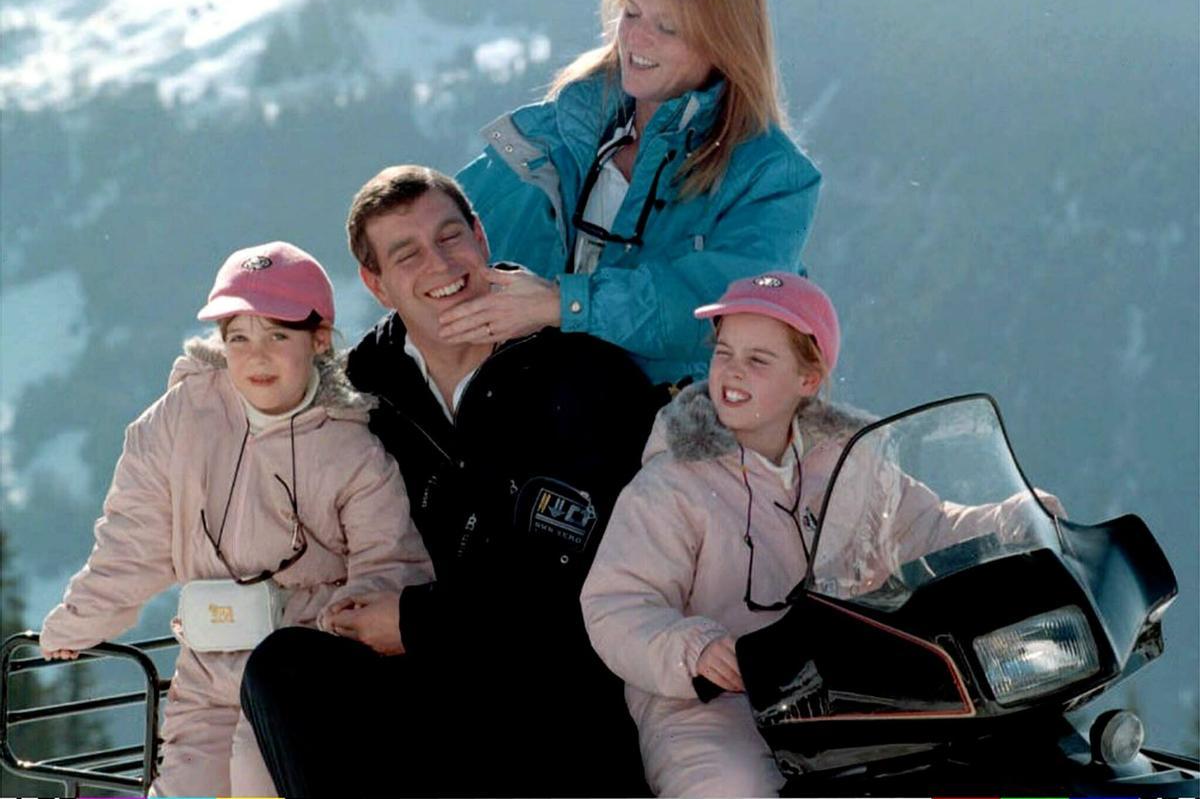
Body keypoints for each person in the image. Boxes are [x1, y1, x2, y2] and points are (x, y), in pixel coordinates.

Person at [239, 165, 662, 796]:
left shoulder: (586, 377)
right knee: (285, 669)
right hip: (424, 697)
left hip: (560, 703)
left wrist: (415, 623)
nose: (439, 265)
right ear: (375, 284)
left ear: (482, 238)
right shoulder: (360, 399)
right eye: (406, 253)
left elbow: (580, 591)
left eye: (449, 237)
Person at [580, 272, 1058, 797]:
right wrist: (696, 650)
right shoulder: (672, 483)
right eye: (724, 353)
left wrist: (1009, 519)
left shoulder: (851, 461)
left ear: (808, 380)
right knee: (733, 787)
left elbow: (927, 526)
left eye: (758, 360)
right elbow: (619, 602)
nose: (732, 371)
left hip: (845, 689)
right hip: (713, 704)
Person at [38, 241, 433, 798]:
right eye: (238, 337)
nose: (257, 357)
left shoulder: (352, 449)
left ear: (318, 340)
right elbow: (134, 536)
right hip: (206, 668)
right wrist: (79, 621)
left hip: (291, 676)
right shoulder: (182, 419)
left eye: (278, 335)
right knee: (185, 789)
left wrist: (334, 633)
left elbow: (389, 566)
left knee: (258, 782)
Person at [445, 0, 821, 386]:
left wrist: (564, 304)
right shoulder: (563, 129)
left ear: (724, 43)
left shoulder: (770, 176)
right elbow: (444, 233)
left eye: (667, 27)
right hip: (521, 421)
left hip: (670, 438)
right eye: (633, 13)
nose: (636, 39)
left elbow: (719, 308)